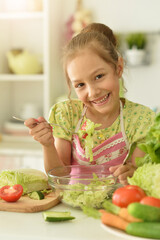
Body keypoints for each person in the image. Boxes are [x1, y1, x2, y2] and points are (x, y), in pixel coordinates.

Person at [24, 23, 155, 185]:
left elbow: (138, 174)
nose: (92, 92)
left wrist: (133, 173)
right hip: (74, 204)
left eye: (99, 76)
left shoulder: (140, 119)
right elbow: (59, 178)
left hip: (117, 205)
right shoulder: (67, 114)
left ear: (118, 68)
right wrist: (47, 145)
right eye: (80, 85)